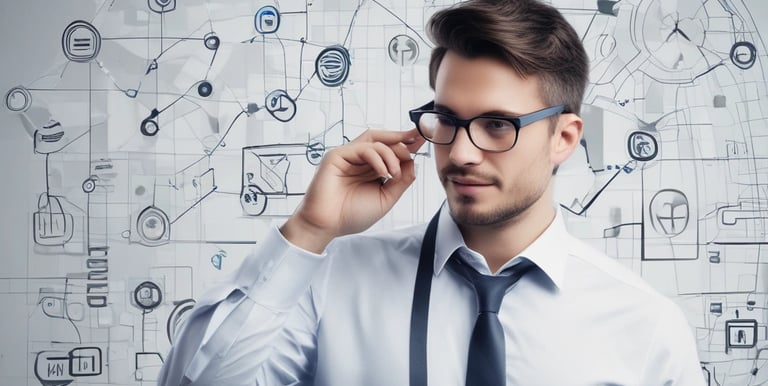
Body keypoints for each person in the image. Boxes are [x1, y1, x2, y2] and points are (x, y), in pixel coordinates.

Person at [159, 0, 704, 385]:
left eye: (497, 124)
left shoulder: (645, 326)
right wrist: (307, 231)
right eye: (446, 119)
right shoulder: (331, 279)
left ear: (563, 137)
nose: (462, 152)